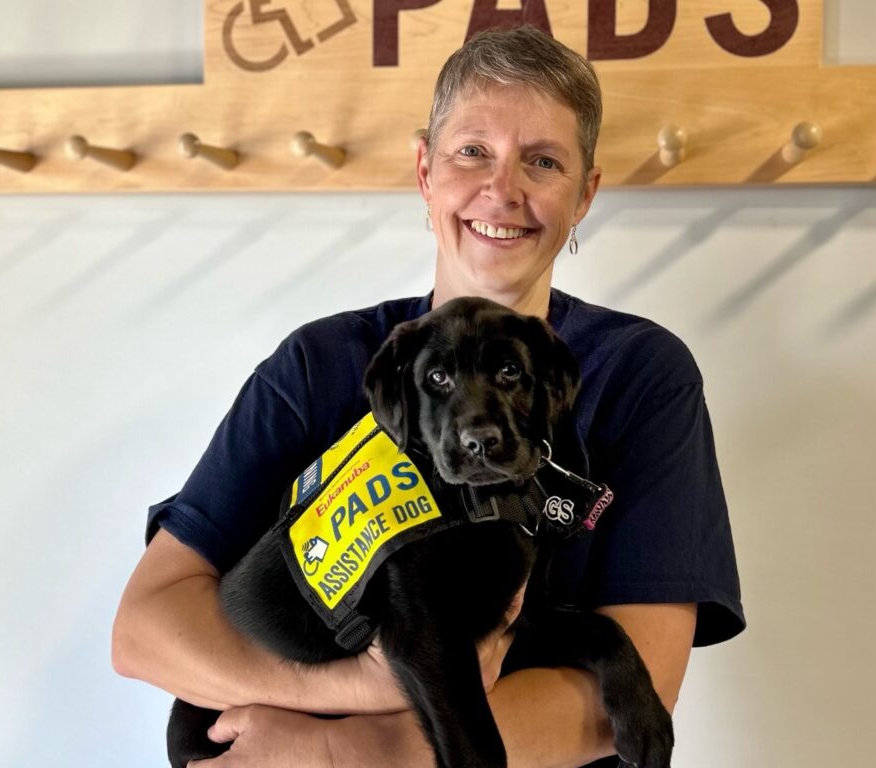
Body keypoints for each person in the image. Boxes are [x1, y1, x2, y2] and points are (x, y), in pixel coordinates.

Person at [112, 24, 745, 768]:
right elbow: (144, 630)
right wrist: (360, 686)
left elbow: (641, 699)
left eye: (542, 161)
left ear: (585, 195)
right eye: (472, 152)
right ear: (425, 171)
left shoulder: (639, 375)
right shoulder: (322, 364)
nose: (502, 190)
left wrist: (339, 752)